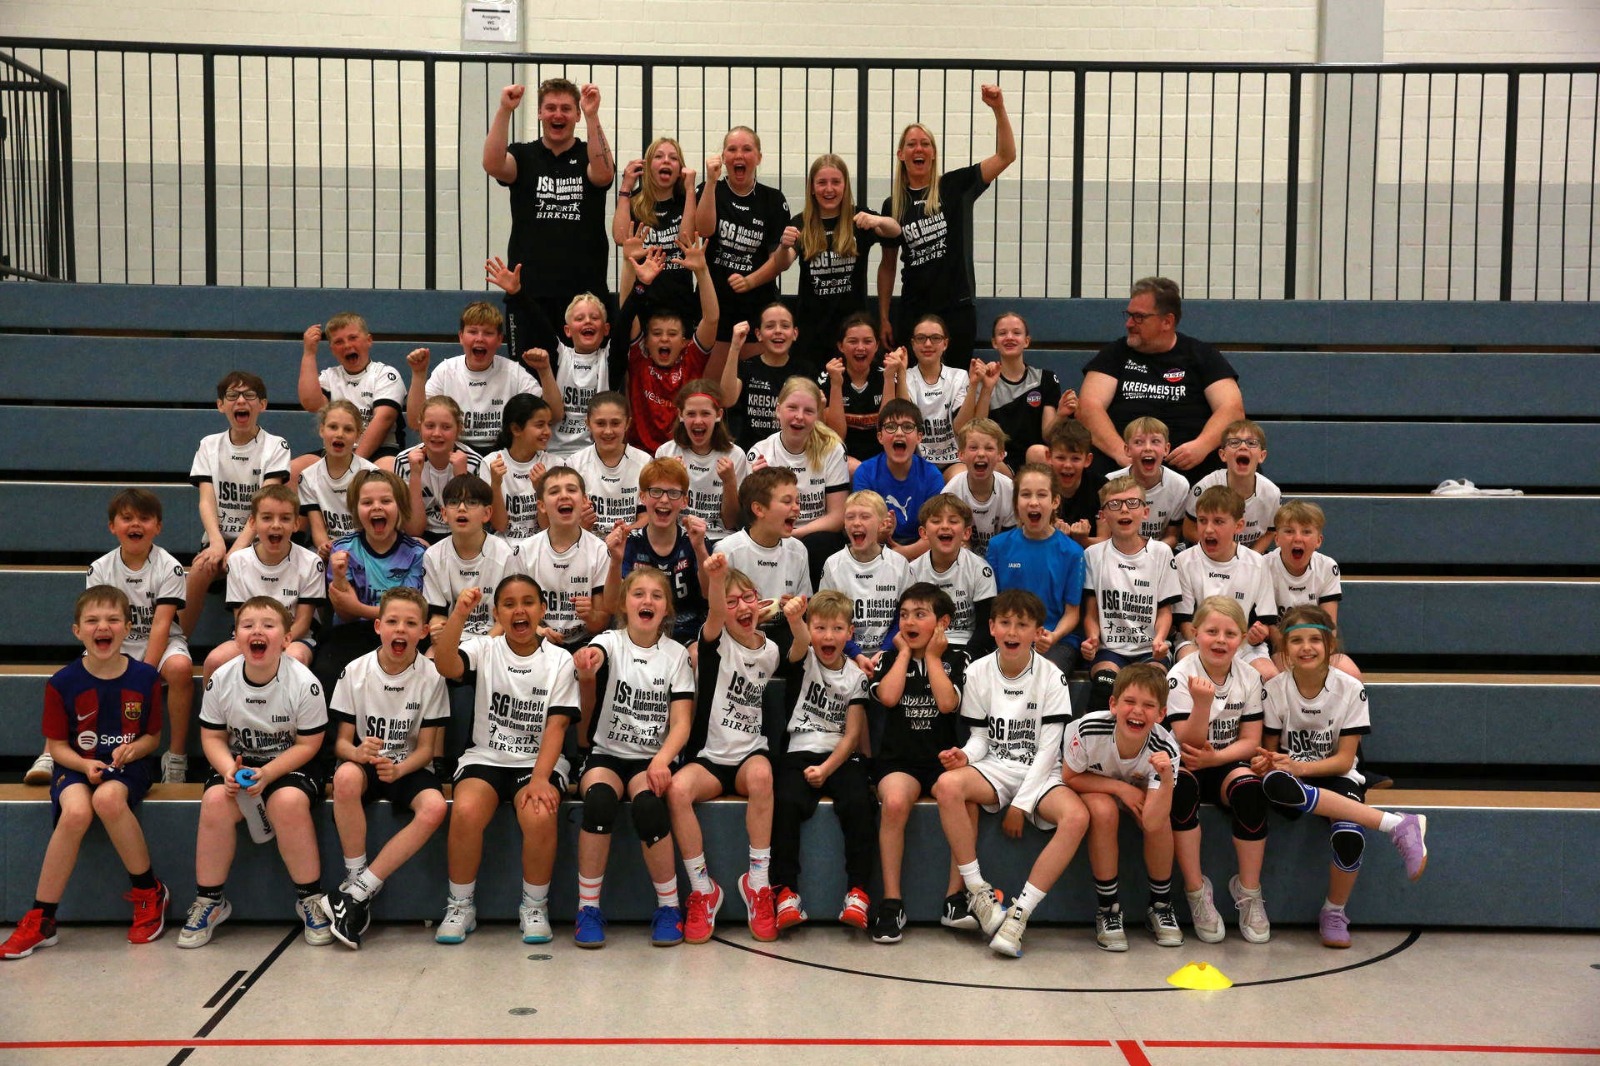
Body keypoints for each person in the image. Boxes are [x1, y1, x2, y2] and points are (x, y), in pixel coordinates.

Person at [2, 587, 168, 959]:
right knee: (76, 811)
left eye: (112, 619)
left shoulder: (145, 678)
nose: (102, 627)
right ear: (77, 631)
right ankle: (43, 918)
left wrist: (133, 750)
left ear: (128, 628)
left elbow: (152, 738)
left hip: (128, 766)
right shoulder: (62, 682)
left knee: (108, 800)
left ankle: (149, 892)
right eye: (92, 620)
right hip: (76, 764)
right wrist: (83, 764)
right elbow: (57, 747)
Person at [1254, 605, 1430, 948]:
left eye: (1314, 640)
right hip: (1291, 780)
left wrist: (1300, 767)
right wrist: (1266, 762)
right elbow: (1270, 752)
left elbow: (1345, 760)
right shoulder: (1274, 689)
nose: (1306, 647)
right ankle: (1395, 824)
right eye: (1297, 641)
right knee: (1273, 782)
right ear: (1284, 648)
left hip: (1334, 773)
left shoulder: (1350, 688)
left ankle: (1334, 912)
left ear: (1330, 645)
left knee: (1350, 835)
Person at [932, 589, 1084, 958]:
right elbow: (980, 738)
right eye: (1005, 622)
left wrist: (1021, 805)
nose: (1012, 631)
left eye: (1022, 624)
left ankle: (1019, 915)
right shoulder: (977, 671)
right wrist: (964, 756)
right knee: (947, 785)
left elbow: (1049, 750)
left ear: (1037, 632)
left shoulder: (1052, 676)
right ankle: (978, 892)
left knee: (1077, 817)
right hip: (997, 766)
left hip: (1040, 772)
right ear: (992, 627)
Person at [430, 578, 577, 946]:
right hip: (486, 757)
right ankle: (460, 906)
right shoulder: (485, 648)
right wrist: (459, 615)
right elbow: (445, 665)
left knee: (539, 812)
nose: (519, 610)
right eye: (509, 604)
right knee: (465, 810)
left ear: (543, 610)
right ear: (497, 613)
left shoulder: (560, 659)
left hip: (537, 761)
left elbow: (558, 725)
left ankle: (534, 907)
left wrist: (541, 779)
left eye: (528, 602)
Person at [178, 597, 330, 949]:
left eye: (268, 625)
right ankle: (210, 901)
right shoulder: (222, 679)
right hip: (240, 763)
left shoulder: (304, 683)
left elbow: (309, 745)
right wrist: (228, 771)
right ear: (236, 636)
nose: (257, 631)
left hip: (291, 762)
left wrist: (269, 773)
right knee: (216, 800)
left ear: (287, 639)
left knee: (287, 803)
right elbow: (212, 738)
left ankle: (310, 898)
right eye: (247, 625)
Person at [571, 568, 697, 948]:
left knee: (648, 807)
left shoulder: (675, 655)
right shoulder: (610, 641)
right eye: (638, 593)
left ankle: (669, 908)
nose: (647, 601)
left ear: (667, 609)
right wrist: (588, 660)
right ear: (624, 604)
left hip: (651, 758)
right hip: (606, 754)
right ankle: (587, 909)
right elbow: (596, 654)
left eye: (656, 595)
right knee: (598, 801)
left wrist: (661, 761)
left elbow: (682, 723)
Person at [321, 587, 449, 949]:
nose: (400, 629)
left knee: (435, 807)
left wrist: (401, 769)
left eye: (410, 623)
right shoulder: (355, 671)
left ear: (424, 631)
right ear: (378, 626)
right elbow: (341, 744)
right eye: (392, 621)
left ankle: (358, 892)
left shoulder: (432, 675)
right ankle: (354, 877)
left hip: (406, 765)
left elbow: (427, 749)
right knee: (345, 775)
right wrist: (358, 752)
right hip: (366, 763)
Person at [669, 553, 783, 943]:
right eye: (731, 602)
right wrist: (716, 580)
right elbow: (716, 615)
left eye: (747, 598)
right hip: (710, 758)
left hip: (750, 752)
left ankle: (758, 883)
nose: (741, 607)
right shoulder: (713, 644)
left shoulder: (770, 651)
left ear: (760, 601)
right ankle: (703, 889)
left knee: (763, 776)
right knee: (677, 790)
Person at [58, 490, 195, 787]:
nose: (136, 524)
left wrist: (143, 674)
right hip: (115, 640)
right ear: (112, 526)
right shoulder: (100, 568)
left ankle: (176, 756)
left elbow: (161, 624)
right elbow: (98, 623)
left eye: (145, 518)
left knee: (180, 668)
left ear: (158, 526)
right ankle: (53, 752)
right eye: (127, 518)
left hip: (162, 641)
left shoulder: (169, 566)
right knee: (76, 675)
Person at [877, 85, 1016, 366]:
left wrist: (998, 109)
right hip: (914, 309)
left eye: (925, 143)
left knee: (957, 383)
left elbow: (1006, 156)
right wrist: (883, 317)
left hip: (956, 308)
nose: (919, 148)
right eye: (912, 144)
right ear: (901, 154)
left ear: (933, 153)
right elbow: (888, 265)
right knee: (913, 383)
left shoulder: (954, 186)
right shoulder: (893, 205)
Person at [1164, 596, 1271, 945]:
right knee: (1181, 790)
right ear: (1195, 633)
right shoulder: (1180, 675)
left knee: (1251, 791)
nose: (1220, 640)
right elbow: (1188, 741)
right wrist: (1203, 704)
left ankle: (1249, 891)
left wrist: (1218, 758)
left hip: (1224, 762)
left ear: (1242, 638)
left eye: (1230, 633)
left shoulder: (1250, 677)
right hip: (1189, 760)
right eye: (1212, 632)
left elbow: (1251, 740)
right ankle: (1196, 890)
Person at [483, 79, 615, 357]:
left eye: (566, 108)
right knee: (528, 374)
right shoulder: (523, 155)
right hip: (529, 292)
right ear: (540, 113)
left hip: (583, 295)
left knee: (583, 375)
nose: (558, 114)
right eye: (551, 108)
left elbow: (605, 174)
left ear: (577, 115)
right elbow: (492, 164)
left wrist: (592, 115)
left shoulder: (588, 155)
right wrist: (505, 109)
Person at [769, 589, 876, 933]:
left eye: (837, 629)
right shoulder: (804, 658)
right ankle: (785, 893)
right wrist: (794, 618)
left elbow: (853, 735)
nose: (828, 636)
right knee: (785, 802)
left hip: (839, 756)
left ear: (850, 633)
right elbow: (800, 638)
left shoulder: (856, 677)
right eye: (820, 628)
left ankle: (858, 893)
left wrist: (827, 769)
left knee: (860, 803)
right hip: (798, 751)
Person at [867, 583, 967, 943]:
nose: (909, 621)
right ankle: (892, 903)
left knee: (965, 798)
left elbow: (946, 704)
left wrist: (934, 658)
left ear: (942, 623)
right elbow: (889, 697)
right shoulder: (889, 659)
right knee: (894, 802)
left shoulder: (958, 658)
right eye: (904, 615)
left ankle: (956, 898)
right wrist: (905, 654)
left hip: (944, 762)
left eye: (920, 614)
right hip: (899, 762)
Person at [1062, 663, 1183, 951]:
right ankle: (1108, 909)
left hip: (1139, 791)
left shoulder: (1166, 749)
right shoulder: (1088, 729)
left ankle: (1161, 904)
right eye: (1129, 701)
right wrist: (1120, 788)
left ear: (1161, 714)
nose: (1138, 711)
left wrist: (1166, 778)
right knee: (1104, 811)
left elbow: (1152, 821)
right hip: (1095, 784)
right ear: (1113, 704)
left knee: (1160, 818)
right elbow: (1070, 777)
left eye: (1148, 705)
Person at [1077, 277, 1245, 482]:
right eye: (1129, 315)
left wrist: (1201, 446)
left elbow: (1232, 408)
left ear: (1167, 321)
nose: (1129, 323)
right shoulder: (1114, 354)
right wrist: (1121, 452)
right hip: (1124, 465)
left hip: (1191, 463)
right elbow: (1088, 407)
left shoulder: (1201, 355)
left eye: (1139, 317)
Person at [182, 370, 292, 651]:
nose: (241, 401)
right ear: (221, 405)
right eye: (232, 395)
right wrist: (217, 543)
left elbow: (264, 507)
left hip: (258, 539)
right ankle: (178, 643)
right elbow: (206, 500)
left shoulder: (276, 446)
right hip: (219, 538)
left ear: (262, 404)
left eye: (249, 395)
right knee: (200, 568)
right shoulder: (209, 445)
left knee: (245, 564)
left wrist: (237, 550)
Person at [486, 261, 626, 463]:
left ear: (606, 329)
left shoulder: (609, 357)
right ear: (568, 330)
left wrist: (640, 288)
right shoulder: (561, 354)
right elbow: (539, 323)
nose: (587, 321)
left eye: (594, 317)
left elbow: (626, 320)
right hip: (554, 454)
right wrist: (517, 294)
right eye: (580, 318)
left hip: (595, 455)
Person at [313, 469, 428, 697]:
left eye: (386, 501)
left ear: (400, 506)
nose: (376, 507)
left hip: (401, 634)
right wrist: (339, 577)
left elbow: (408, 612)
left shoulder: (416, 552)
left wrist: (358, 607)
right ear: (356, 509)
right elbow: (345, 614)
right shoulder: (342, 550)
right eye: (367, 502)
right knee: (326, 671)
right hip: (352, 632)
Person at [781, 153, 900, 367]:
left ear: (845, 185)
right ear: (812, 187)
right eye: (822, 182)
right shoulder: (801, 223)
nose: (829, 189)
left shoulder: (858, 219)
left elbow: (895, 231)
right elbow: (784, 262)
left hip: (853, 332)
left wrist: (877, 220)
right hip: (812, 332)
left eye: (836, 182)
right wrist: (783, 246)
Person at [1079, 477, 1181, 711]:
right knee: (1105, 687)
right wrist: (1092, 638)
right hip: (1110, 650)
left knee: (1152, 688)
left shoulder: (1161, 552)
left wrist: (1159, 638)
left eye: (1132, 503)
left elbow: (1165, 611)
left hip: (1149, 649)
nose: (1124, 509)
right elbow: (1091, 613)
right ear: (1103, 516)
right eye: (1114, 504)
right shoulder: (1093, 555)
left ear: (1145, 512)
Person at [405, 302, 560, 455]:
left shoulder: (513, 372)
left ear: (499, 339)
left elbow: (554, 416)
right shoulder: (446, 371)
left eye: (488, 333)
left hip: (503, 454)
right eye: (473, 332)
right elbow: (415, 422)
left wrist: (545, 371)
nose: (480, 338)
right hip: (456, 452)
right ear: (461, 337)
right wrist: (419, 374)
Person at [695, 126, 791, 367]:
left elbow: (779, 261)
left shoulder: (773, 200)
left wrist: (750, 281)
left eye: (747, 149)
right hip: (715, 304)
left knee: (753, 380)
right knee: (711, 384)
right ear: (723, 157)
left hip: (757, 305)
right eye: (732, 149)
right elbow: (703, 230)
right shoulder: (710, 190)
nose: (739, 155)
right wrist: (710, 182)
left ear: (758, 157)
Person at [617, 238, 723, 454]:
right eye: (657, 334)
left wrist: (702, 272)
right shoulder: (639, 357)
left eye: (672, 334)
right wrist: (628, 262)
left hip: (681, 453)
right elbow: (626, 312)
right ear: (647, 341)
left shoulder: (691, 359)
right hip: (640, 455)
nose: (664, 339)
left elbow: (712, 320)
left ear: (684, 341)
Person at [206, 485, 324, 678]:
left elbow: (303, 623)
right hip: (249, 637)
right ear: (253, 522)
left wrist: (275, 644)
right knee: (214, 661)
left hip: (293, 639)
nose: (276, 525)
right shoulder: (238, 561)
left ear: (296, 524)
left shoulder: (311, 562)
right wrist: (261, 641)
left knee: (294, 658)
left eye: (285, 518)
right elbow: (240, 618)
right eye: (267, 517)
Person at [747, 377, 849, 586]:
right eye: (792, 408)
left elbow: (838, 517)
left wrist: (796, 534)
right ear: (778, 410)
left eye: (809, 411)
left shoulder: (832, 449)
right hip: (773, 531)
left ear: (818, 415)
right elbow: (750, 517)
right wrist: (759, 487)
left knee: (820, 542)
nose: (799, 417)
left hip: (815, 533)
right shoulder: (761, 452)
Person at [986, 465, 1083, 673]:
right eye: (1025, 494)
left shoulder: (1072, 552)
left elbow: (1072, 613)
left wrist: (1053, 636)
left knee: (1042, 675)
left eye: (1041, 495)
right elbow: (994, 604)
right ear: (1016, 502)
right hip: (1010, 637)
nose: (1033, 502)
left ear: (1055, 501)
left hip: (1055, 640)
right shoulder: (998, 547)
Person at [1173, 486, 1278, 678]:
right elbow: (1184, 623)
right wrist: (1209, 647)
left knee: (1269, 674)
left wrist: (1258, 634)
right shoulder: (1183, 561)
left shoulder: (1257, 563)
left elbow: (1265, 622)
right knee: (1191, 667)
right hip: (1197, 642)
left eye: (1218, 521)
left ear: (1238, 526)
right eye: (1202, 521)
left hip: (1243, 645)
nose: (1208, 529)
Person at [604, 458, 710, 645]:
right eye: (656, 491)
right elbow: (612, 606)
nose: (664, 499)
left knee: (696, 655)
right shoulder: (630, 543)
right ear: (643, 497)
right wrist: (615, 561)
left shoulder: (695, 540)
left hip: (685, 629)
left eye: (673, 493)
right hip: (638, 629)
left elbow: (709, 593)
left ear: (685, 501)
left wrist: (700, 549)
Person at [294, 313, 405, 483]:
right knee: (292, 472)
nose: (347, 345)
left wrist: (354, 463)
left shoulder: (385, 374)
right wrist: (309, 353)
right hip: (336, 449)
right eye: (339, 342)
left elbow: (384, 420)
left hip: (382, 450)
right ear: (332, 349)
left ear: (369, 340)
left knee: (387, 472)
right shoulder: (329, 376)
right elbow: (310, 403)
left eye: (353, 338)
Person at [714, 467, 813, 655]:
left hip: (784, 631)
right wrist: (748, 615)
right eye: (787, 501)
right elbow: (717, 613)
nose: (796, 508)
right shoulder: (727, 551)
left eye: (797, 501)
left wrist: (795, 608)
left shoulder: (798, 550)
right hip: (738, 635)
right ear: (759, 509)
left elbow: (805, 607)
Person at [509, 466, 612, 647]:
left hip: (585, 643)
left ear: (584, 500)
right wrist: (537, 631)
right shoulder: (525, 551)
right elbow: (512, 612)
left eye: (571, 490)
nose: (564, 496)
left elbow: (601, 622)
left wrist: (590, 616)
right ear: (541, 505)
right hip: (536, 640)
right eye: (554, 491)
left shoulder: (600, 551)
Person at [1265, 501, 1358, 678]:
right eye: (1289, 531)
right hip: (1280, 647)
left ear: (1318, 541)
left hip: (1315, 645)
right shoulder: (1264, 566)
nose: (1297, 538)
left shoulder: (1327, 567)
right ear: (1277, 539)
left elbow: (1329, 626)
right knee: (1286, 674)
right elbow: (1269, 625)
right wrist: (1292, 650)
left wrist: (1314, 652)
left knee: (1351, 673)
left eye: (1306, 532)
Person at [422, 475, 520, 638]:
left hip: (494, 640)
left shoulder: (505, 554)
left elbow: (507, 618)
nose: (461, 508)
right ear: (444, 513)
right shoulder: (432, 556)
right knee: (433, 653)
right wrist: (438, 633)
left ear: (487, 513)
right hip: (453, 639)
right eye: (454, 502)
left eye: (472, 502)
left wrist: (479, 648)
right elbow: (437, 615)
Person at [612, 138, 697, 323]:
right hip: (641, 299)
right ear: (648, 167)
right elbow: (619, 237)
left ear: (680, 170)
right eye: (659, 156)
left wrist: (690, 189)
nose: (666, 160)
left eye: (673, 158)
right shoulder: (634, 201)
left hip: (679, 300)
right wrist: (626, 186)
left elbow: (687, 240)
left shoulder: (686, 201)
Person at [969, 312, 1065, 474]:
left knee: (1038, 452)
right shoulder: (984, 379)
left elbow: (1048, 436)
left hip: (1035, 460)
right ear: (994, 342)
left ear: (1026, 341)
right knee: (987, 461)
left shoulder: (1045, 379)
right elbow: (979, 429)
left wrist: (1061, 414)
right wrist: (987, 388)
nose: (1009, 337)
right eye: (1002, 333)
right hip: (1001, 460)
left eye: (1016, 333)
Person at [656, 379, 747, 547]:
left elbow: (731, 522)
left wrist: (729, 482)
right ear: (680, 415)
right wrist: (674, 482)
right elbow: (660, 516)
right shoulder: (666, 452)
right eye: (691, 414)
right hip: (678, 537)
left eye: (705, 413)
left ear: (719, 415)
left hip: (720, 540)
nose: (698, 421)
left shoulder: (736, 455)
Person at [382, 395, 485, 543]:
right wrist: (415, 475)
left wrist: (461, 477)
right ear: (420, 427)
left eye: (446, 427)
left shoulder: (474, 462)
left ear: (458, 429)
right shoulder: (404, 461)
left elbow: (470, 526)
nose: (437, 433)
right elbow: (414, 530)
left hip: (460, 536)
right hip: (421, 536)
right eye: (430, 426)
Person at [818, 490, 908, 658]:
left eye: (865, 517)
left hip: (889, 652)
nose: (856, 523)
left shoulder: (899, 564)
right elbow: (827, 618)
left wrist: (884, 653)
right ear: (844, 524)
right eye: (850, 517)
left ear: (882, 524)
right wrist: (856, 655)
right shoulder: (833, 564)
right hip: (844, 653)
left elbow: (904, 617)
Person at [905, 495, 997, 654]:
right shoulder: (912, 571)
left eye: (953, 521)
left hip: (967, 646)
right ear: (923, 533)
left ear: (966, 532)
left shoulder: (980, 569)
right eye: (936, 521)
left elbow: (985, 627)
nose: (945, 526)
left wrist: (966, 657)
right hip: (925, 645)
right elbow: (908, 622)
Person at [852, 400, 946, 555]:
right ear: (880, 437)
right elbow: (860, 528)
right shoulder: (865, 473)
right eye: (891, 427)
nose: (899, 433)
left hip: (920, 551)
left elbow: (937, 531)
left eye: (908, 427)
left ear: (919, 437)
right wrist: (881, 535)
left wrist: (903, 553)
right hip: (875, 549)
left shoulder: (932, 475)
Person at [1183, 420, 1281, 553]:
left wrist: (1249, 558)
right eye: (1234, 442)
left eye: (1251, 443)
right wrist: (1224, 553)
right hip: (1209, 554)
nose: (1243, 447)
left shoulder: (1272, 493)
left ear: (1262, 456)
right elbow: (1189, 530)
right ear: (1223, 455)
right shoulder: (1206, 486)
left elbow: (1270, 532)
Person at [564, 391, 651, 533]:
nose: (608, 431)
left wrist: (624, 533)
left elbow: (647, 516)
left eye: (615, 423)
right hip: (587, 541)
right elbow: (567, 520)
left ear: (627, 424)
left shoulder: (644, 462)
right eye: (600, 423)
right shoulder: (574, 464)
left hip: (631, 540)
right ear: (588, 424)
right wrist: (581, 524)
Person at [299, 401, 378, 555]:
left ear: (358, 435)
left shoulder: (371, 474)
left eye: (348, 429)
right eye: (333, 427)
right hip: (329, 550)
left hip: (364, 547)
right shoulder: (308, 477)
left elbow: (373, 527)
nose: (340, 434)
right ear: (322, 430)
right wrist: (325, 548)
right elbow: (318, 530)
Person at [819, 314, 896, 466]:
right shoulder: (828, 377)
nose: (860, 347)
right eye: (853, 341)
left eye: (867, 341)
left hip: (882, 458)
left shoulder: (887, 374)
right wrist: (836, 385)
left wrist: (889, 379)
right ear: (841, 346)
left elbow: (889, 430)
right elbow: (836, 438)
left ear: (877, 345)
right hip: (841, 459)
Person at [723, 308, 804, 451]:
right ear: (758, 334)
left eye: (785, 326)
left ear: (795, 333)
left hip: (790, 453)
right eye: (770, 326)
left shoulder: (805, 371)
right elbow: (726, 399)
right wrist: (735, 347)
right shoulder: (747, 367)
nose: (778, 331)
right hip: (751, 453)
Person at [1103, 417, 1188, 548]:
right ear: (1127, 449)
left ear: (1166, 449)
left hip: (1159, 551)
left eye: (1155, 441)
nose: (1148, 448)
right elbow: (1105, 535)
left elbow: (1172, 536)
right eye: (1138, 442)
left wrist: (1147, 553)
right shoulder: (1109, 482)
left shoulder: (1179, 485)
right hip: (1119, 550)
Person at [484, 393, 553, 540]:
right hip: (504, 547)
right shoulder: (491, 463)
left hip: (542, 546)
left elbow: (547, 527)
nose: (548, 431)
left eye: (549, 424)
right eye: (540, 425)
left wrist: (541, 490)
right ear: (516, 429)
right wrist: (495, 485)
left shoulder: (554, 464)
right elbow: (500, 525)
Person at [943, 419, 1015, 557]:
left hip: (1001, 556)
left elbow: (1009, 543)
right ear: (961, 454)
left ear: (1001, 455)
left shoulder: (1010, 490)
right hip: (966, 558)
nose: (981, 453)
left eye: (989, 448)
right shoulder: (951, 492)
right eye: (973, 448)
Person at [1043, 420, 1100, 545]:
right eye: (1061, 458)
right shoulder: (1038, 487)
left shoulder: (1101, 488)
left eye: (1075, 458)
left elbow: (1107, 541)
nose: (1068, 465)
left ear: (1088, 460)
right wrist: (1049, 533)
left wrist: (1083, 540)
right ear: (1048, 456)